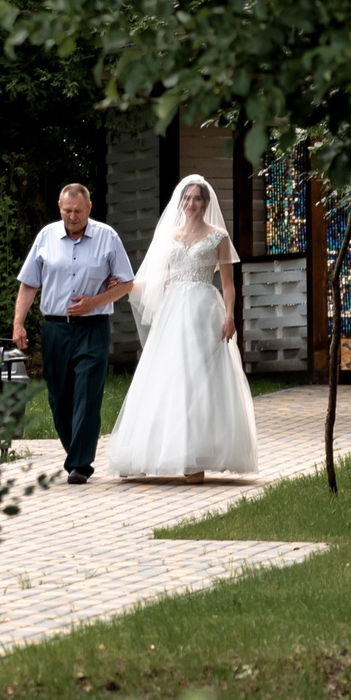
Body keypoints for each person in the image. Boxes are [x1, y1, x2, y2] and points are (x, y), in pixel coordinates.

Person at [103, 174, 261, 480]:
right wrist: (126, 286)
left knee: (200, 379)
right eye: (187, 198)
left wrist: (230, 316)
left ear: (205, 202)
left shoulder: (218, 237)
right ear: (180, 202)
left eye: (197, 198)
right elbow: (157, 280)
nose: (191, 203)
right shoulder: (170, 237)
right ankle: (150, 454)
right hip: (173, 311)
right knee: (167, 376)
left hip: (204, 310)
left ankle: (196, 457)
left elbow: (227, 284)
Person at [12, 183, 135, 484]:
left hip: (93, 328)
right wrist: (18, 323)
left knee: (87, 395)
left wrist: (95, 302)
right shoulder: (46, 237)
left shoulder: (108, 237)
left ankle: (80, 464)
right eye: (67, 210)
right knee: (59, 396)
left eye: (78, 211)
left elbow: (127, 283)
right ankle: (75, 453)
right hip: (55, 327)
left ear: (89, 208)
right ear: (59, 207)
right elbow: (29, 283)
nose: (72, 216)